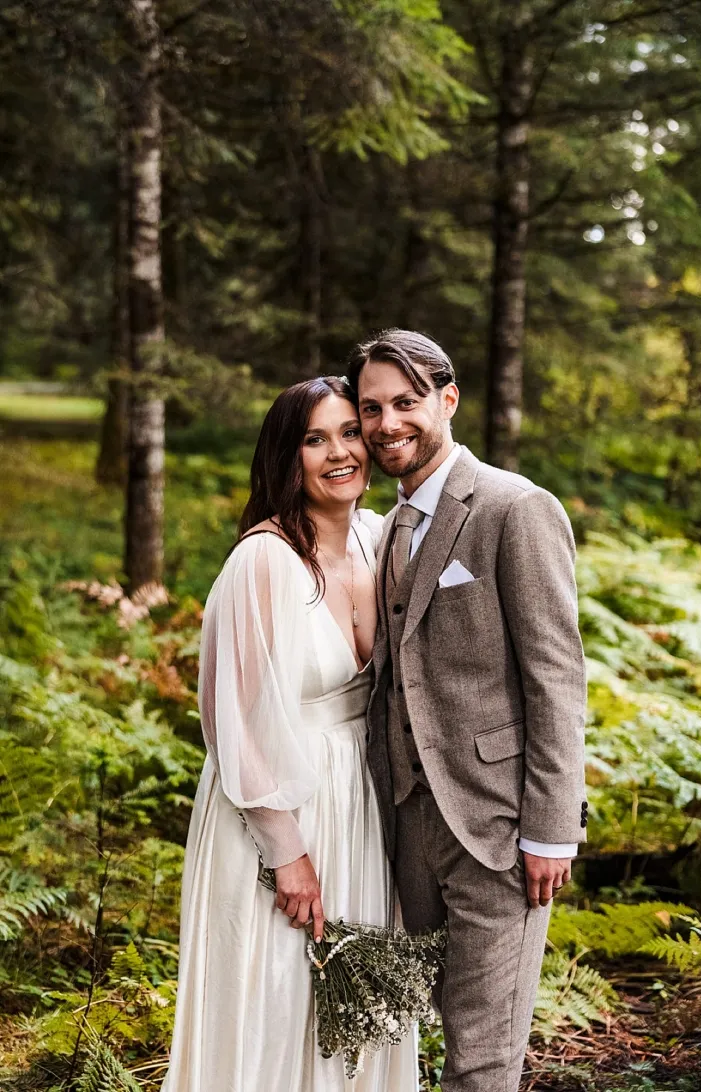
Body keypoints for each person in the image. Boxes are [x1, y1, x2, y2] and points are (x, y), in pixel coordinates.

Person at [347, 330, 588, 1092]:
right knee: (428, 1035)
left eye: (406, 402)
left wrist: (552, 827)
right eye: (372, 408)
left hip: (498, 829)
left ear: (447, 400)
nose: (388, 424)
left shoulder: (516, 508)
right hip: (408, 826)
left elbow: (555, 675)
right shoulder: (386, 530)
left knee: (482, 1058)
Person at [162, 377, 418, 1092]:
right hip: (276, 805)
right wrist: (287, 853)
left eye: (348, 432)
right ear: (287, 455)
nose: (339, 452)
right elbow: (233, 721)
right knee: (276, 998)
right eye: (315, 439)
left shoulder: (379, 539)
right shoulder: (262, 561)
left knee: (354, 1006)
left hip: (360, 806)